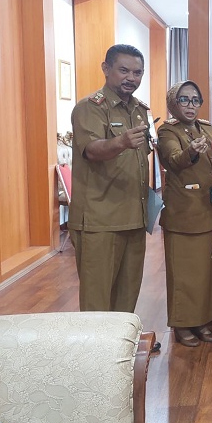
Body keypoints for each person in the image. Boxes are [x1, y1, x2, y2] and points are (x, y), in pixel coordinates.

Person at [69, 44, 152, 315]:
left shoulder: (139, 110)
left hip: (134, 216)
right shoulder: (89, 108)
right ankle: (96, 356)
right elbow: (91, 150)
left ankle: (121, 350)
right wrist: (121, 142)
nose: (132, 78)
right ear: (106, 69)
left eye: (138, 72)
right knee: (97, 300)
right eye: (124, 70)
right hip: (100, 220)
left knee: (128, 295)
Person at [157, 80, 212, 347]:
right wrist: (191, 152)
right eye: (184, 100)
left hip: (211, 210)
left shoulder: (207, 128)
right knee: (185, 274)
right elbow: (174, 161)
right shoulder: (167, 131)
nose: (190, 105)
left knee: (208, 273)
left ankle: (204, 320)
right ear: (174, 103)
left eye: (195, 100)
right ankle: (183, 324)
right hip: (184, 215)